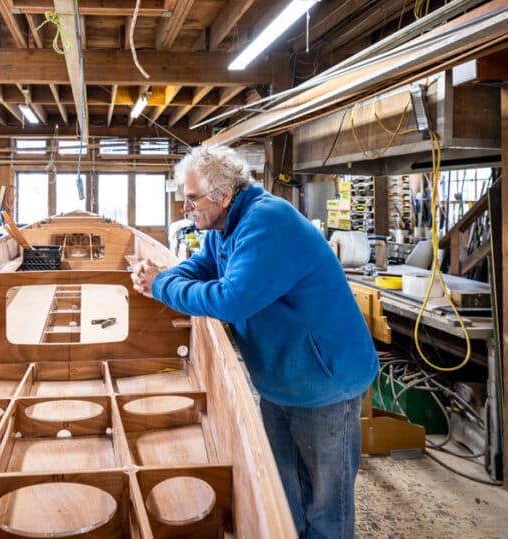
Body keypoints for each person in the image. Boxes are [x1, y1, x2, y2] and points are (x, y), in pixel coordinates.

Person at [131, 145, 378, 539]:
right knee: (285, 494)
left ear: (224, 195)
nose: (185, 208)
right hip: (281, 378)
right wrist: (171, 274)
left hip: (324, 381)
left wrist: (163, 285)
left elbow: (232, 300)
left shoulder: (266, 222)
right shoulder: (226, 225)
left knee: (326, 506)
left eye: (192, 199)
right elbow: (205, 266)